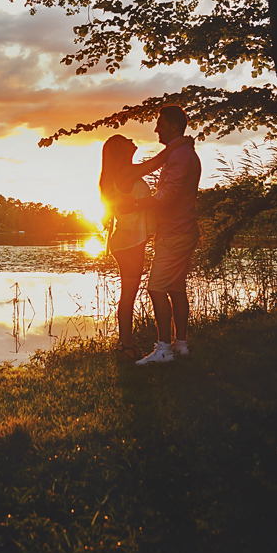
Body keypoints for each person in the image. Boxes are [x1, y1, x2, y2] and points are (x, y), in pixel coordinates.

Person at [118, 105, 201, 365]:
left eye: (161, 124)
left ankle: (164, 349)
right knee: (176, 289)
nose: (156, 129)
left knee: (156, 288)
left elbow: (166, 197)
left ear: (174, 126)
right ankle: (181, 345)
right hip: (182, 230)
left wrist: (133, 205)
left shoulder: (179, 157)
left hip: (175, 232)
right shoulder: (180, 152)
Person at [99, 132, 194, 361]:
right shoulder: (126, 171)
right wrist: (178, 143)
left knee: (128, 293)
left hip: (129, 239)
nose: (133, 142)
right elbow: (156, 162)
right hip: (129, 240)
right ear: (121, 151)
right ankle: (125, 346)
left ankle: (126, 344)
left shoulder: (121, 172)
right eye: (127, 141)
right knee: (129, 293)